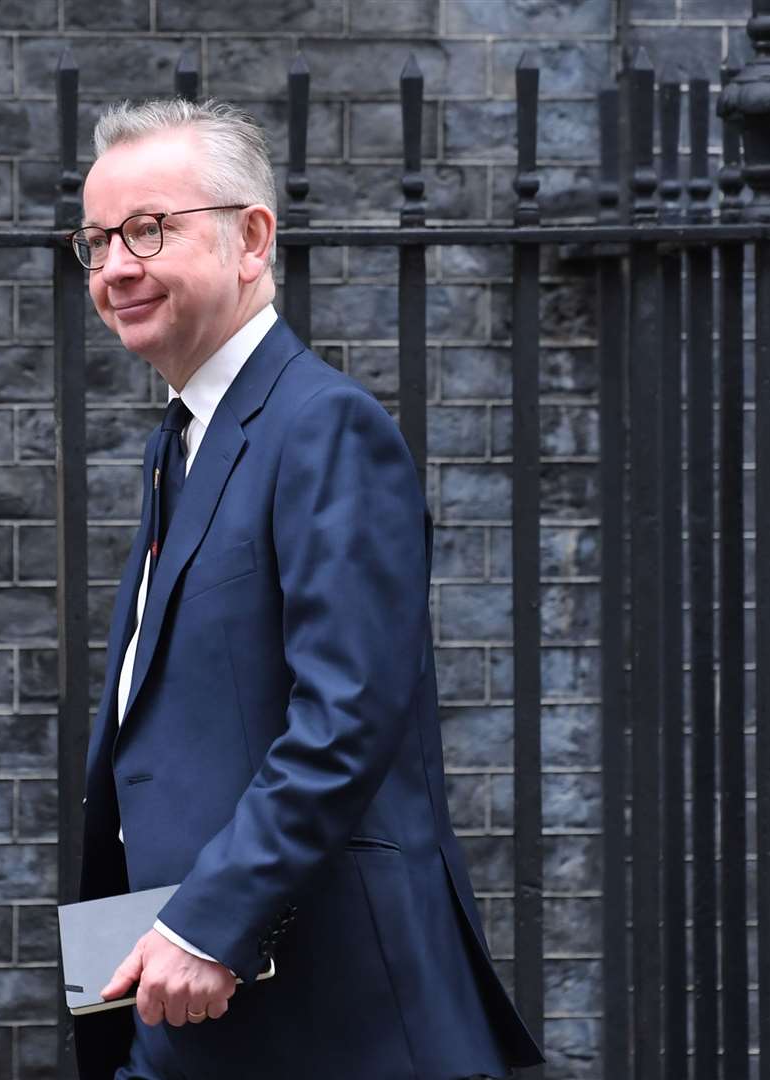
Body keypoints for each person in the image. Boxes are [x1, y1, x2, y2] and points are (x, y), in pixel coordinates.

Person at [70, 98, 547, 1080]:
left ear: (252, 239)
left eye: (149, 229)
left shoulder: (324, 427)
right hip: (181, 998)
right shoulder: (180, 443)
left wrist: (209, 926)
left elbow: (347, 717)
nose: (116, 267)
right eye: (97, 241)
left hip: (329, 1015)